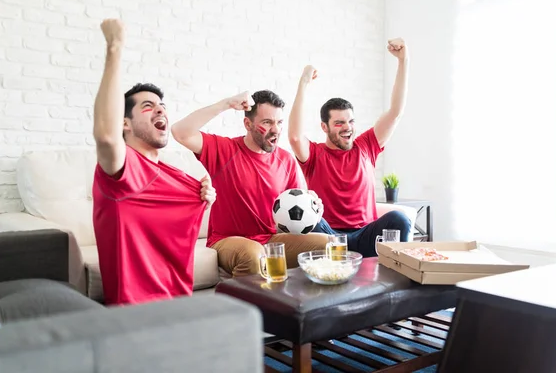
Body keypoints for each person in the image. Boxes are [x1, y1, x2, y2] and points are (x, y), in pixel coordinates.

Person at [91, 19, 216, 306]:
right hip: (136, 311)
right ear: (125, 123)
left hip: (178, 303)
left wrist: (204, 196)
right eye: (147, 106)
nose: (159, 108)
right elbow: (106, 137)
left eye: (161, 105)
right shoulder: (123, 168)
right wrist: (114, 48)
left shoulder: (174, 175)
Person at [171, 90, 330, 277]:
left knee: (329, 244)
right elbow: (180, 132)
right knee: (254, 254)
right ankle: (250, 305)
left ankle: (298, 303)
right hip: (228, 240)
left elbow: (296, 209)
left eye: (279, 122)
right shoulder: (224, 150)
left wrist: (313, 209)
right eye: (267, 122)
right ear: (248, 124)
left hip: (270, 240)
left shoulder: (286, 160)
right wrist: (226, 103)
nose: (276, 129)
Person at [287, 38, 411, 257]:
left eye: (350, 121)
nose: (347, 128)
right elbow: (295, 136)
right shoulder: (315, 154)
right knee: (309, 219)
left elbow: (395, 113)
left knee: (399, 218)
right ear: (324, 127)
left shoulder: (366, 146)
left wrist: (403, 60)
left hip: (366, 234)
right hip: (330, 236)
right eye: (339, 123)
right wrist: (304, 82)